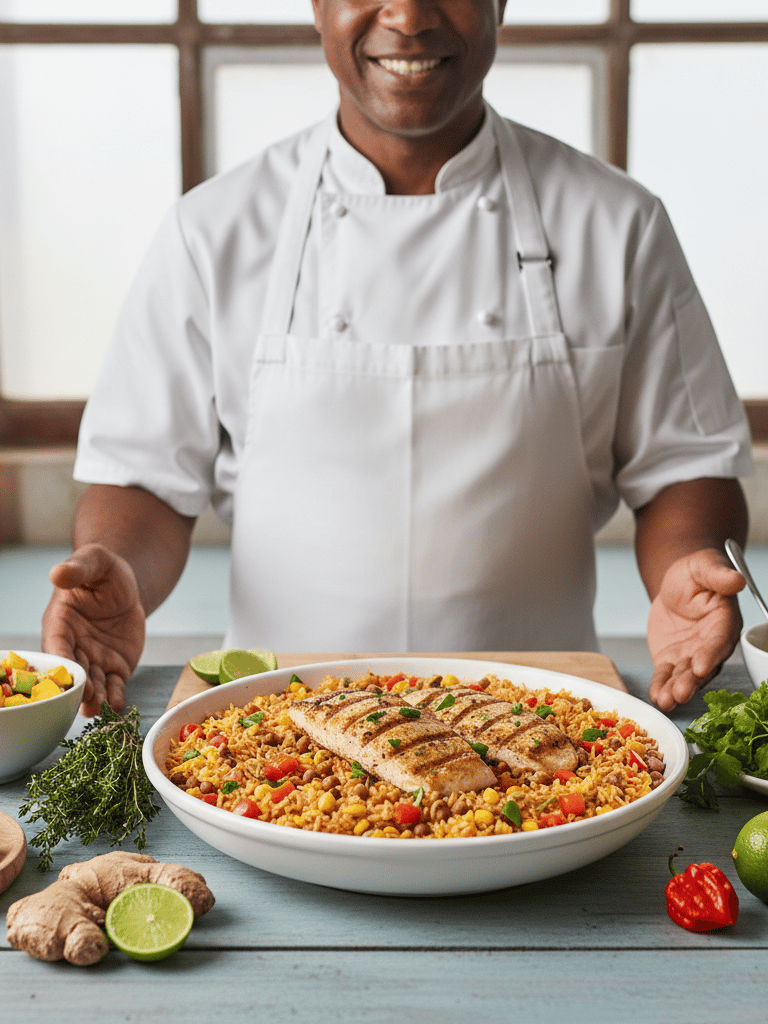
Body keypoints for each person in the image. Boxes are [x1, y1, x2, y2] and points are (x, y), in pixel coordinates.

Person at [42, 0, 752, 719]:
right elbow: (147, 483)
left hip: (545, 725)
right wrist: (118, 566)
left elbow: (684, 465)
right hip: (272, 734)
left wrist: (685, 565)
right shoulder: (212, 230)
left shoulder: (617, 223)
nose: (408, 17)